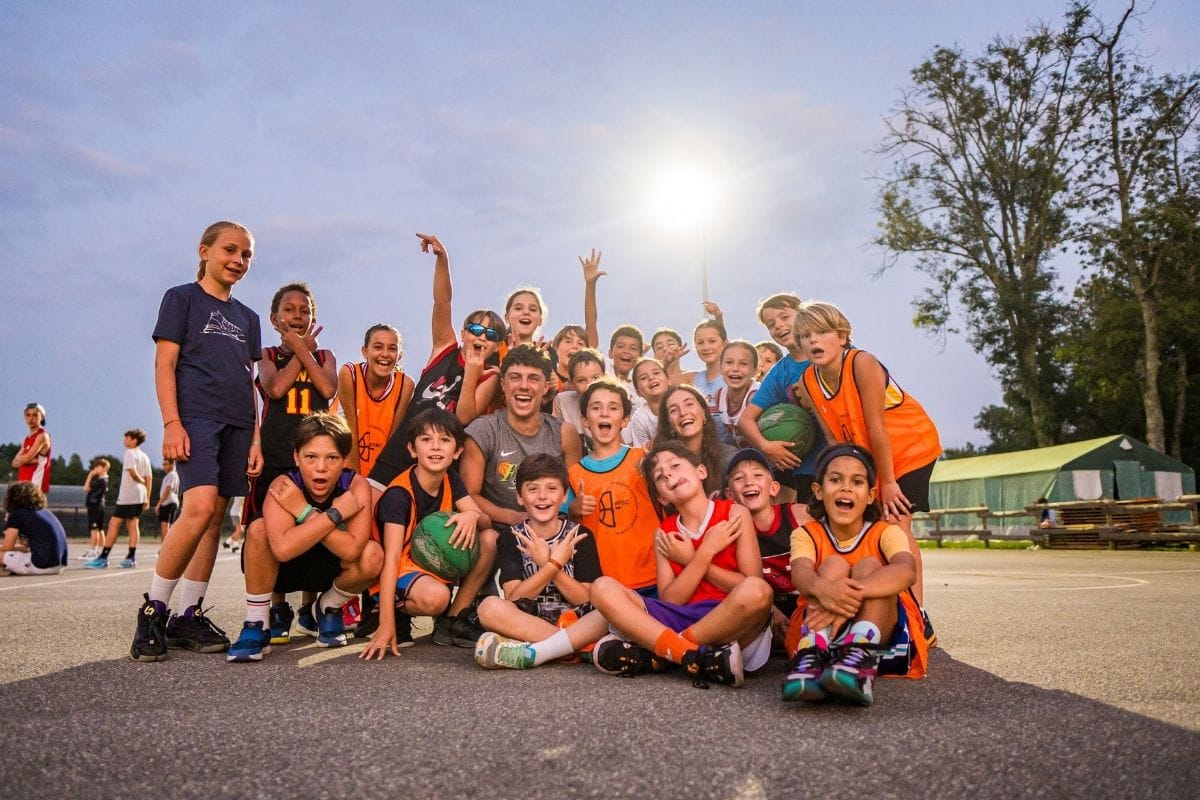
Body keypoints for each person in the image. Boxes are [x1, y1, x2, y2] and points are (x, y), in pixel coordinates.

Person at [131, 220, 262, 662]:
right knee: (199, 506)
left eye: (246, 255)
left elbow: (252, 382)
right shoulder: (181, 299)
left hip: (239, 424)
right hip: (197, 420)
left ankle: (188, 615)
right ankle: (153, 610)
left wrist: (256, 438)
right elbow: (164, 365)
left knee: (215, 517)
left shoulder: (248, 317)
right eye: (230, 250)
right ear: (204, 250)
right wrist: (172, 423)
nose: (238, 261)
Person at [587, 442, 774, 687]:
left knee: (759, 593)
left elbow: (752, 583)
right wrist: (704, 552)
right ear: (662, 497)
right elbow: (671, 600)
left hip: (727, 618)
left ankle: (665, 652)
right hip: (680, 615)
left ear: (701, 472)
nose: (669, 474)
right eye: (660, 477)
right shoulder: (663, 533)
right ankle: (688, 655)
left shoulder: (734, 513)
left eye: (675, 465)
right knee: (602, 588)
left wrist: (691, 559)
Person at [790, 300, 941, 605]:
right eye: (806, 336)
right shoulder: (808, 381)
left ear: (842, 336)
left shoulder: (862, 363)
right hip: (872, 457)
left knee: (897, 525)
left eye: (821, 332)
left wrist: (886, 483)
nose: (813, 340)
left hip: (909, 447)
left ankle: (917, 616)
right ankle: (881, 608)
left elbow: (876, 428)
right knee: (873, 528)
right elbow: (835, 440)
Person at [781, 444, 929, 706]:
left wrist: (842, 599)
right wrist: (825, 589)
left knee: (870, 566)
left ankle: (857, 658)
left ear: (871, 495)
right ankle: (812, 656)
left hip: (882, 637)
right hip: (818, 629)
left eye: (857, 481)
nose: (845, 488)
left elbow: (907, 571)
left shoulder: (886, 531)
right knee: (832, 566)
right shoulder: (806, 534)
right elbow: (801, 575)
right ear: (818, 490)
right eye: (835, 479)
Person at [228, 414, 382, 661]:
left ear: (344, 460)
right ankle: (256, 624)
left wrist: (303, 512)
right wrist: (331, 514)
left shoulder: (355, 486)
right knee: (258, 529)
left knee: (373, 554)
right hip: (285, 569)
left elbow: (353, 550)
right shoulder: (284, 485)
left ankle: (327, 607)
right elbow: (282, 550)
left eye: (332, 458)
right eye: (311, 457)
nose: (321, 467)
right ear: (296, 457)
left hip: (330, 569)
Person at [368, 234, 505, 487]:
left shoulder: (490, 376)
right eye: (475, 330)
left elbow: (464, 417)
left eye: (491, 334)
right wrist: (442, 259)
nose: (482, 336)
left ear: (497, 345)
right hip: (402, 448)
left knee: (423, 524)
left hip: (439, 461)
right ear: (463, 334)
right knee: (372, 507)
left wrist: (473, 371)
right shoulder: (445, 349)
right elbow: (442, 302)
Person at [361, 409, 495, 659]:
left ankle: (454, 619)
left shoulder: (450, 478)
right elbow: (390, 559)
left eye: (444, 440)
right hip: (395, 570)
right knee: (437, 598)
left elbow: (486, 524)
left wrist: (473, 515)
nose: (436, 447)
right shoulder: (398, 496)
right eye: (426, 439)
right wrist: (385, 624)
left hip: (426, 563)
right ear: (413, 449)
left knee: (489, 539)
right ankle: (389, 612)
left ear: (456, 451)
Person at [473, 454, 601, 669]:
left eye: (551, 489)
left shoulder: (579, 535)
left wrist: (552, 566)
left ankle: (540, 650)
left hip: (576, 620)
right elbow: (514, 597)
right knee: (488, 607)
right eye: (533, 489)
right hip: (530, 622)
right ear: (520, 498)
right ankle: (576, 648)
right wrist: (551, 565)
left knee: (608, 610)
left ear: (564, 495)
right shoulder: (512, 536)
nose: (542, 496)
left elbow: (585, 599)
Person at [567, 379, 659, 593]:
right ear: (585, 421)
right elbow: (566, 526)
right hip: (604, 583)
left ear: (625, 420)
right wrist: (574, 510)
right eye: (596, 408)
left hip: (654, 575)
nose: (604, 413)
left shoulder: (643, 459)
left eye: (613, 408)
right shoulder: (574, 474)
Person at [737, 292, 826, 505]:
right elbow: (745, 421)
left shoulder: (828, 353)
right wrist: (766, 446)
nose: (778, 325)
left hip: (843, 455)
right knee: (810, 527)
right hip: (807, 466)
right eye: (771, 324)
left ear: (802, 313)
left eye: (784, 317)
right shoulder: (780, 372)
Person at [722, 448, 809, 645]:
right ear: (729, 494)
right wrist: (771, 612)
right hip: (764, 610)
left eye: (758, 475)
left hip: (808, 603)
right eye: (739, 478)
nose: (749, 482)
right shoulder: (730, 532)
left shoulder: (799, 515)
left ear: (774, 488)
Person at [338, 324, 414, 478]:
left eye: (392, 349)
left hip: (380, 470)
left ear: (399, 355)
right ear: (365, 352)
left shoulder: (405, 385)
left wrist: (378, 480)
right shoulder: (350, 373)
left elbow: (393, 441)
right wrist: (355, 480)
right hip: (347, 465)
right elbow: (351, 431)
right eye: (378, 347)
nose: (385, 354)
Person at [653, 384, 737, 498]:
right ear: (669, 425)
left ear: (704, 413)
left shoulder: (728, 457)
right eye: (673, 410)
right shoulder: (662, 468)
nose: (683, 413)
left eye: (689, 404)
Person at [86, 428, 152, 569]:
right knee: (133, 525)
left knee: (113, 524)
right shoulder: (145, 456)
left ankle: (103, 558)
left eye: (126, 438)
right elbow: (149, 478)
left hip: (129, 495)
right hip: (140, 495)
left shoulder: (130, 453)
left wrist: (141, 482)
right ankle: (131, 558)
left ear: (134, 439)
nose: (124, 440)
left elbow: (134, 474)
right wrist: (147, 496)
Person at [1, 482, 67, 576]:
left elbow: (7, 547)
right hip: (58, 565)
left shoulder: (17, 514)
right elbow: (25, 548)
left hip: (41, 565)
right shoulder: (45, 512)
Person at [550, 348, 606, 450]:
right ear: (571, 383)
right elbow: (555, 440)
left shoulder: (616, 403)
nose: (590, 385)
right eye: (581, 380)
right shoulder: (562, 401)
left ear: (605, 378)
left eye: (596, 378)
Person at [714, 340, 760, 447]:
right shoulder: (719, 395)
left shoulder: (757, 395)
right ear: (720, 368)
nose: (735, 369)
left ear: (755, 370)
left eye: (743, 363)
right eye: (729, 362)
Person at [628, 358, 668, 448]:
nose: (651, 378)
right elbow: (642, 452)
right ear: (638, 393)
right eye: (643, 378)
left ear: (668, 379)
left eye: (656, 373)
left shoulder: (680, 403)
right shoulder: (639, 418)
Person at [13, 402, 51, 492]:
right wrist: (29, 460)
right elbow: (14, 462)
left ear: (42, 417)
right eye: (28, 415)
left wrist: (24, 460)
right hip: (23, 485)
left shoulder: (42, 436)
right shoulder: (27, 438)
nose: (31, 418)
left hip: (35, 486)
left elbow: (25, 459)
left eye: (35, 415)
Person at [81, 458, 110, 560]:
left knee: (94, 529)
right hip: (99, 506)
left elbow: (86, 488)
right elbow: (87, 488)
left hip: (95, 506)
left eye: (98, 467)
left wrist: (90, 475)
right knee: (99, 529)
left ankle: (93, 551)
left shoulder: (102, 481)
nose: (95, 469)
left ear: (104, 468)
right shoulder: (103, 480)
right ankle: (102, 550)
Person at [156, 458, 180, 540]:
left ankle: (164, 549)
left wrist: (159, 503)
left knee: (165, 525)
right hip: (174, 501)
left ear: (172, 464)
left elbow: (168, 489)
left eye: (165, 464)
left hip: (167, 502)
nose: (163, 466)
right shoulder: (175, 475)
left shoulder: (171, 475)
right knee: (170, 525)